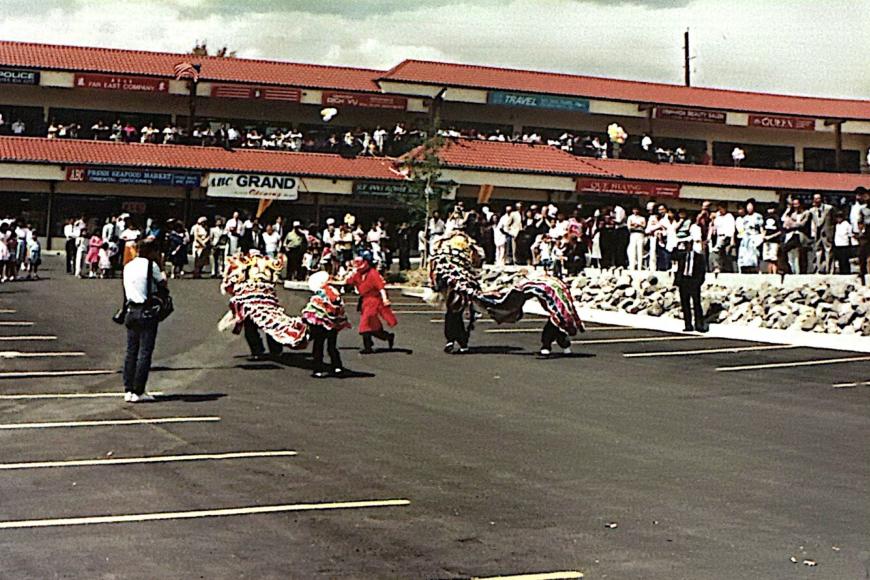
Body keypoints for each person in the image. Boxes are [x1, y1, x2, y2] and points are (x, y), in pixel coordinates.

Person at [122, 239, 166, 403]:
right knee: (145, 352)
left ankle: (128, 389)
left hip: (131, 309)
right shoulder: (150, 266)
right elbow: (163, 284)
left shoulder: (128, 266)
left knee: (131, 351)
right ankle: (139, 390)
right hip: (146, 310)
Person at [344, 252, 396, 354]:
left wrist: (385, 299)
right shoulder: (358, 274)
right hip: (364, 301)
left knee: (365, 323)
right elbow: (348, 282)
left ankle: (368, 347)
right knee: (373, 326)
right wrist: (349, 274)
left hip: (373, 301)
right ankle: (387, 336)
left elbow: (381, 288)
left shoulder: (373, 273)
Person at [301, 271, 351, 378]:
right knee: (332, 346)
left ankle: (318, 369)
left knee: (318, 346)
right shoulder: (334, 291)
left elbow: (311, 311)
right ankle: (337, 367)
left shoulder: (318, 295)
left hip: (321, 322)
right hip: (334, 322)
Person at [673, 210, 708, 333]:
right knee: (685, 304)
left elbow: (702, 271)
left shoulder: (698, 257)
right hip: (684, 281)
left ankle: (699, 324)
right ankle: (688, 324)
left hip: (693, 281)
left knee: (696, 304)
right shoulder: (682, 255)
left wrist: (698, 282)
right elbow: (673, 254)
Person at [781, 198, 810, 274]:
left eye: (797, 204)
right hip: (793, 235)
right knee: (784, 249)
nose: (795, 206)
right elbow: (784, 223)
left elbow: (802, 224)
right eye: (794, 204)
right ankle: (787, 269)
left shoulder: (806, 213)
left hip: (802, 236)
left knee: (802, 256)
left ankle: (802, 272)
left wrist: (792, 224)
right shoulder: (793, 214)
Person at [809, 193, 835, 274]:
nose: (817, 200)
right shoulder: (812, 210)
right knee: (818, 251)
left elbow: (833, 220)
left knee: (828, 250)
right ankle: (819, 269)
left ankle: (829, 269)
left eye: (818, 198)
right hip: (817, 233)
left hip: (827, 232)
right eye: (815, 199)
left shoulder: (829, 208)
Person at [443, 289, 474, 354]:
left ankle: (459, 343)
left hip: (462, 296)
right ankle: (454, 342)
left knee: (455, 318)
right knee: (453, 318)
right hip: (459, 295)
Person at [737, 201, 764, 273]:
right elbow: (743, 229)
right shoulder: (745, 218)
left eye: (750, 206)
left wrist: (762, 236)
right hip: (746, 238)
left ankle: (758, 270)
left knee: (755, 254)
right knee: (744, 254)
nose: (749, 208)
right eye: (748, 206)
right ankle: (745, 270)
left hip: (755, 236)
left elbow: (761, 227)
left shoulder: (758, 216)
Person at [762, 206, 782, 274]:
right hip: (766, 241)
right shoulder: (765, 218)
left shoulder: (777, 218)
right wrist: (763, 236)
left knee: (774, 259)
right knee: (768, 259)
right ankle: (769, 273)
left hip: (774, 241)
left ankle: (775, 273)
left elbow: (780, 231)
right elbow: (763, 228)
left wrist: (771, 236)